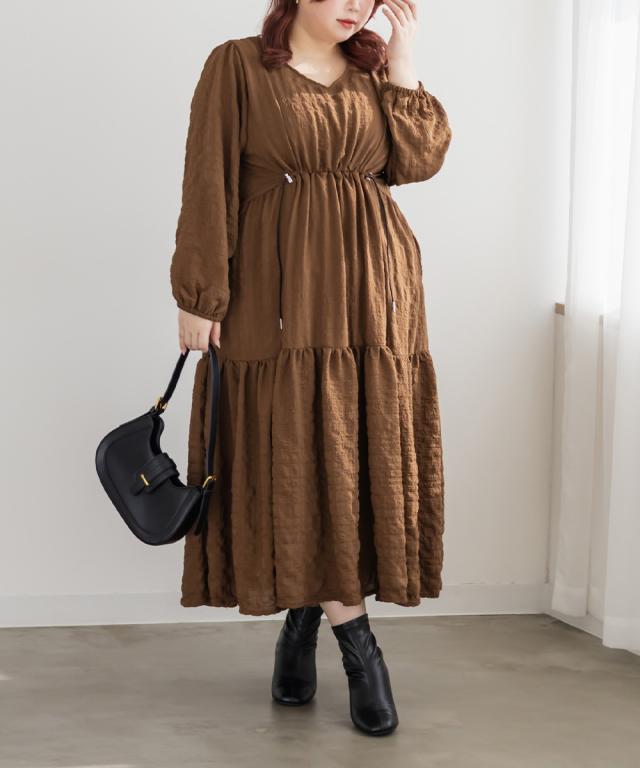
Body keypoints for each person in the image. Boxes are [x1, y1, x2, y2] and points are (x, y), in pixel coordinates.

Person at [169, 0, 452, 736]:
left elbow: (417, 163)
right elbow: (208, 179)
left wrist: (404, 61)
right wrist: (199, 294)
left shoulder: (377, 74)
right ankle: (360, 650)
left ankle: (302, 623)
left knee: (350, 456)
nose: (357, 5)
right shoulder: (237, 65)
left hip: (374, 295)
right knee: (296, 450)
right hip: (278, 295)